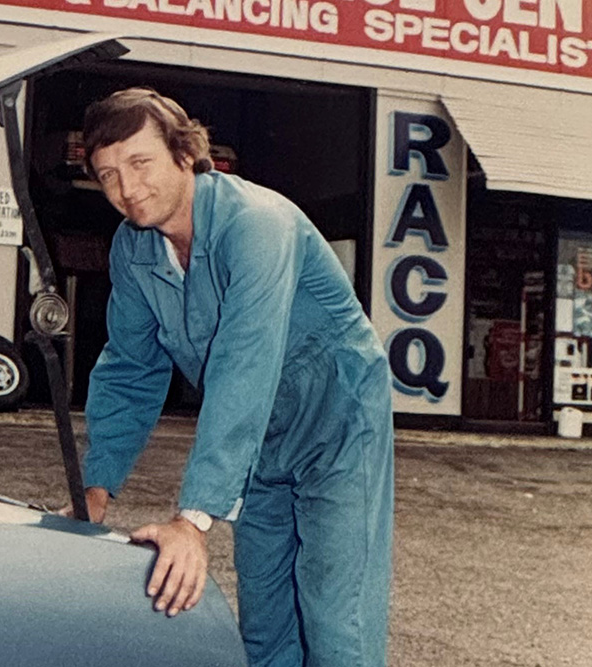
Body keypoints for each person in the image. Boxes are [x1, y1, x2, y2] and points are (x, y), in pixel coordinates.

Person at [77, 87, 394, 667]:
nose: (126, 188)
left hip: (338, 424)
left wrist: (194, 520)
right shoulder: (132, 249)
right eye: (107, 175)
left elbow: (244, 361)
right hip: (259, 441)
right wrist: (92, 491)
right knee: (266, 623)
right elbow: (130, 368)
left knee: (333, 615)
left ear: (184, 153)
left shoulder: (256, 224)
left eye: (139, 162)